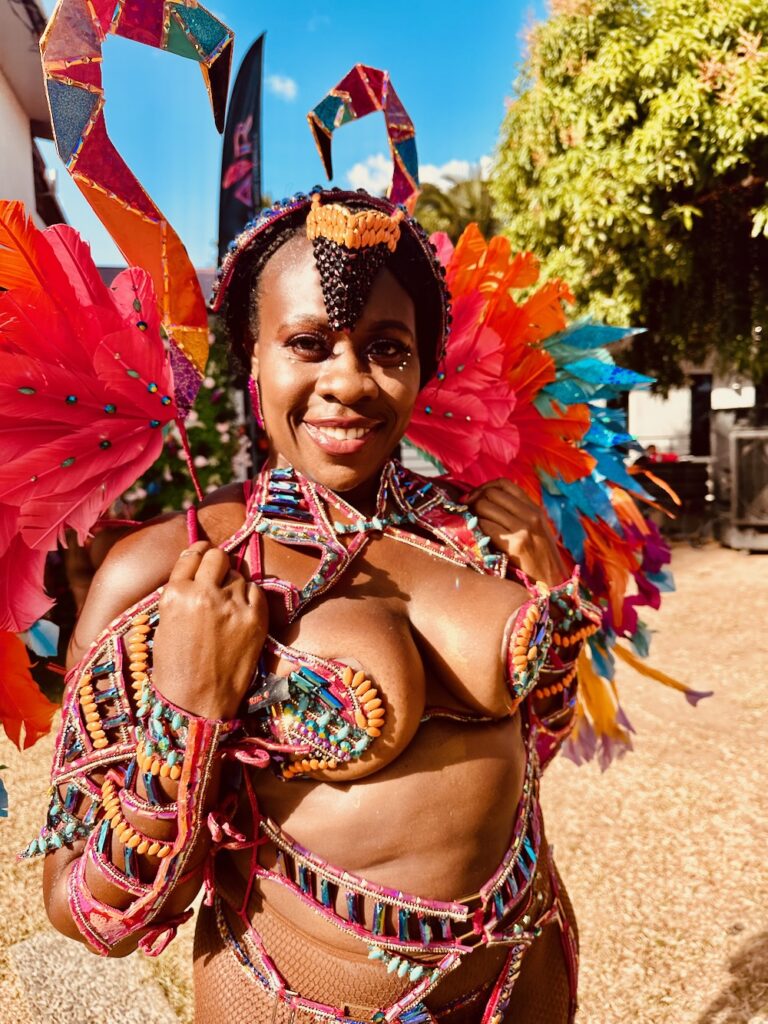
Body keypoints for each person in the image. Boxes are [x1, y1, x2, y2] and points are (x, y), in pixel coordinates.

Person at [30, 187, 602, 1024]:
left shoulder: (476, 525)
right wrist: (188, 714)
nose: (349, 382)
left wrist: (553, 602)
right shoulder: (168, 569)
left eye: (387, 349)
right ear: (251, 355)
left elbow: (535, 740)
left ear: (422, 366)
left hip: (526, 977)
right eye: (308, 343)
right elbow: (89, 912)